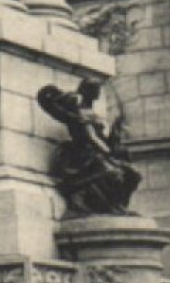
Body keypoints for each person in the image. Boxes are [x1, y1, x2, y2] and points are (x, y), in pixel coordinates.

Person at [36, 78, 142, 216]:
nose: (98, 93)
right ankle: (92, 198)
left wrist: (116, 131)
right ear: (88, 91)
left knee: (134, 174)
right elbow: (91, 138)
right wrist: (108, 153)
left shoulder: (91, 112)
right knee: (111, 172)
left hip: (97, 152)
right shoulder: (79, 113)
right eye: (96, 89)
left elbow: (102, 139)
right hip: (83, 155)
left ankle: (119, 205)